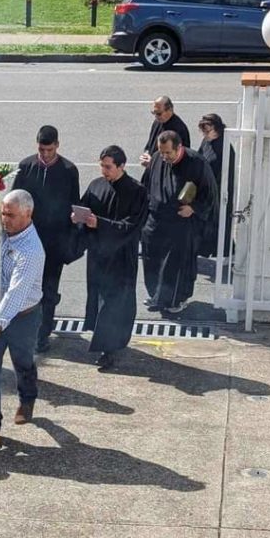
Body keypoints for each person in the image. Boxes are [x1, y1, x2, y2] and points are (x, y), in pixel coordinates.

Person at [0, 189, 45, 449]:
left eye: (11, 215)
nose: (5, 220)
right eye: (3, 213)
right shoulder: (1, 231)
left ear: (28, 214)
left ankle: (27, 399)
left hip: (22, 317)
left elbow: (16, 294)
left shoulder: (31, 250)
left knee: (23, 362)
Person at [71, 145, 148, 371]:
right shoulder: (97, 186)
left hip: (122, 258)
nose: (104, 171)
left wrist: (100, 224)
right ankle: (105, 343)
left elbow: (132, 226)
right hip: (98, 255)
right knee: (99, 300)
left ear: (121, 166)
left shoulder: (137, 191)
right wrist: (78, 217)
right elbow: (85, 207)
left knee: (115, 304)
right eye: (102, 166)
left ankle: (109, 350)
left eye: (108, 167)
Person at [12, 125, 80, 352]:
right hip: (28, 240)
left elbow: (74, 205)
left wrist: (70, 241)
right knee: (25, 288)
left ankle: (43, 334)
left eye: (49, 150)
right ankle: (25, 330)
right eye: (42, 150)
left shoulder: (69, 170)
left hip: (54, 244)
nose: (45, 154)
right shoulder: (26, 166)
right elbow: (14, 200)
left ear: (57, 146)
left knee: (48, 290)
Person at [141, 130, 218, 315]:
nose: (164, 156)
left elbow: (210, 193)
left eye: (168, 152)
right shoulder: (158, 158)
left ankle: (176, 299)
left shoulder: (197, 163)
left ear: (179, 148)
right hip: (156, 218)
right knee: (151, 257)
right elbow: (147, 183)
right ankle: (157, 296)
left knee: (176, 265)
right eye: (161, 152)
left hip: (180, 222)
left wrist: (193, 208)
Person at [196, 113, 236, 259]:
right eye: (203, 131)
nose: (205, 134)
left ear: (217, 129)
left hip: (218, 190)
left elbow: (224, 171)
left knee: (219, 222)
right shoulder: (207, 142)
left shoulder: (224, 147)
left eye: (207, 130)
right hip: (207, 187)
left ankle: (226, 252)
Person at [141, 96, 190, 169]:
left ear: (170, 110)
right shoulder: (157, 122)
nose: (156, 116)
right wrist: (146, 154)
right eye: (154, 113)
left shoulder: (178, 129)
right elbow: (151, 143)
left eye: (159, 113)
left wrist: (153, 162)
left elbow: (177, 157)